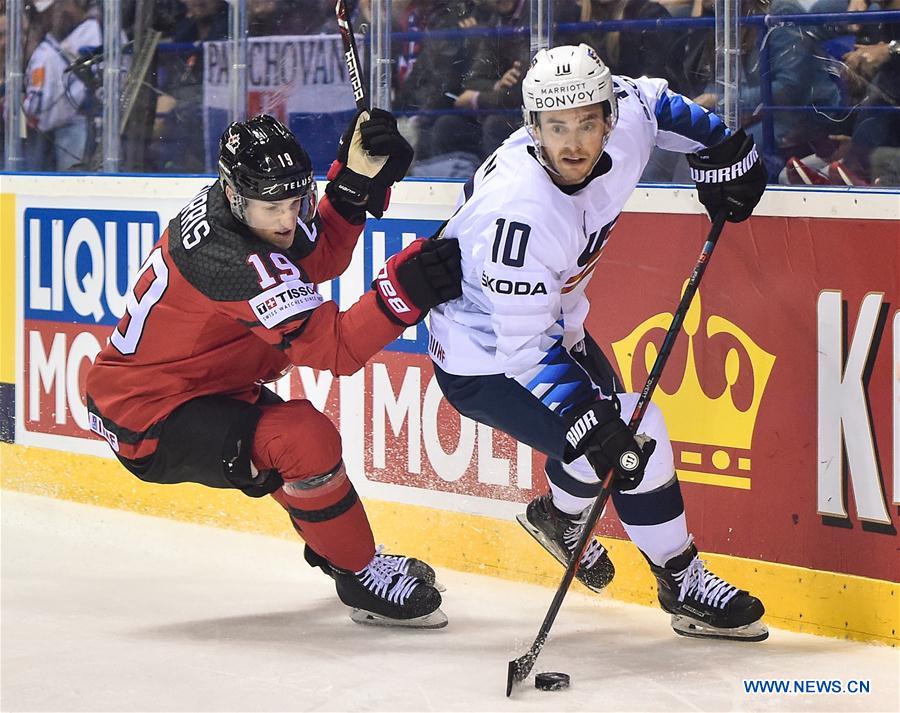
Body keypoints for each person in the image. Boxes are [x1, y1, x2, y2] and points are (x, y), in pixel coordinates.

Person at [427, 44, 769, 641]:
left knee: (613, 442)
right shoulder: (519, 213)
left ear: (608, 118)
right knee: (630, 434)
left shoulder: (625, 119)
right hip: (482, 356)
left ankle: (558, 518)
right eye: (556, 126)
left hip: (551, 325)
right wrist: (589, 417)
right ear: (532, 126)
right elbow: (524, 350)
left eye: (587, 122)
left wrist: (724, 149)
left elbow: (659, 104)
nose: (574, 142)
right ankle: (681, 580)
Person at [85, 112, 462, 629]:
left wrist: (352, 184)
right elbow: (335, 352)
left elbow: (319, 256)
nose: (287, 219)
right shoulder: (228, 256)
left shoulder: (251, 206)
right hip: (149, 413)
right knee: (302, 438)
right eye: (274, 208)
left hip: (198, 385)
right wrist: (408, 290)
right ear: (236, 197)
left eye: (296, 202)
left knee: (294, 445)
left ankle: (344, 552)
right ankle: (359, 573)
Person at [23, 0, 101, 170]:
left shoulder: (94, 32)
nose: (54, 15)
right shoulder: (49, 47)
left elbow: (39, 114)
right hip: (63, 131)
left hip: (77, 128)